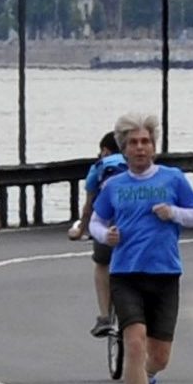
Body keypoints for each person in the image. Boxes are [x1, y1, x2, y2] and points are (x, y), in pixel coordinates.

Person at [86, 114, 193, 384]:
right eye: (134, 143)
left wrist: (174, 213)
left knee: (160, 356)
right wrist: (104, 235)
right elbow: (96, 220)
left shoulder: (172, 179)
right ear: (123, 149)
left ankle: (147, 376)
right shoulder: (114, 185)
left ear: (154, 145)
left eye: (145, 142)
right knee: (134, 342)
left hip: (165, 273)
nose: (140, 148)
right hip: (126, 274)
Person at [68, 126, 127, 337]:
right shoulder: (136, 163)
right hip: (133, 225)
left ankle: (104, 316)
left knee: (102, 263)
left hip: (108, 224)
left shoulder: (100, 167)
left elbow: (90, 205)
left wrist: (81, 230)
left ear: (106, 150)